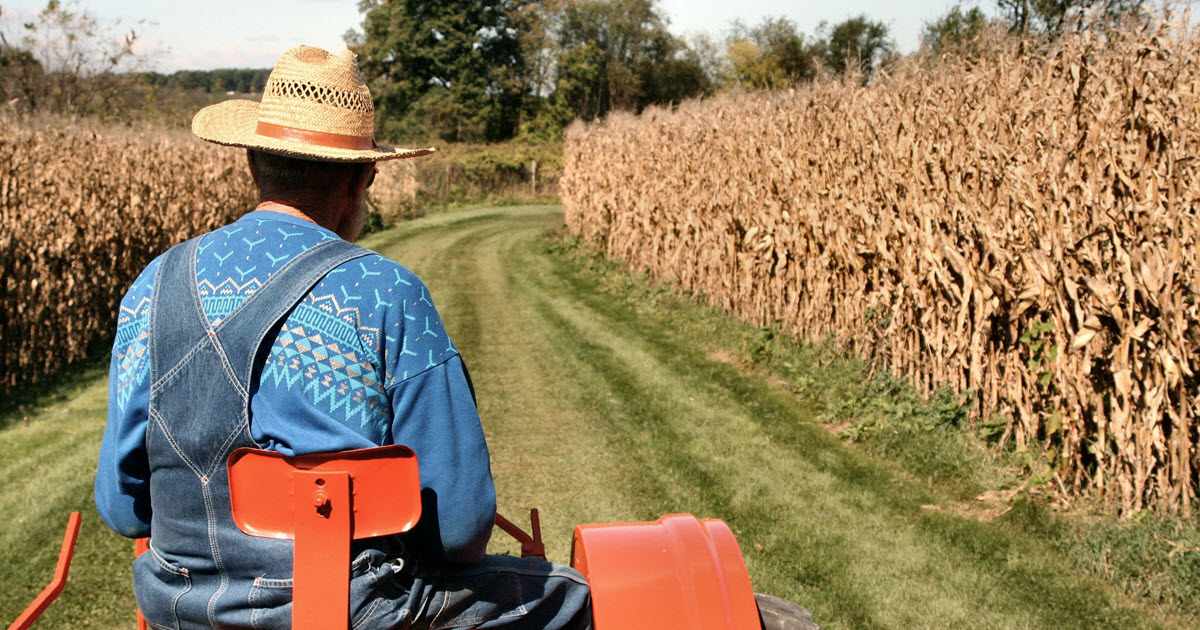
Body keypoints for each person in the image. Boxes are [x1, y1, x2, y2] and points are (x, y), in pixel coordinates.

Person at [94, 45, 592, 630]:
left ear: (254, 163)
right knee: (572, 593)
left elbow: (122, 508)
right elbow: (459, 530)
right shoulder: (386, 294)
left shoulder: (154, 286)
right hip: (350, 611)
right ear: (362, 179)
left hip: (179, 607)